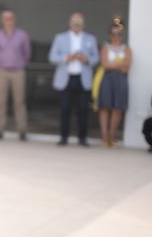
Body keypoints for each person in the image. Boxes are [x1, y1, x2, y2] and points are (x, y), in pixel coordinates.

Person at [48, 13, 99, 146]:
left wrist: (86, 59)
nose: (76, 25)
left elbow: (96, 59)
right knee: (65, 109)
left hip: (83, 79)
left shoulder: (90, 38)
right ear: (70, 23)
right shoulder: (60, 38)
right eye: (74, 22)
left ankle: (82, 138)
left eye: (79, 23)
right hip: (67, 78)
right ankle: (63, 137)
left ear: (83, 24)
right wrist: (67, 58)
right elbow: (52, 57)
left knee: (83, 110)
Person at [0, 10, 31, 140]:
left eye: (10, 18)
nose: (8, 21)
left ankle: (22, 130)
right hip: (1, 70)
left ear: (14, 20)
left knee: (19, 101)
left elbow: (27, 53)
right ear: (2, 21)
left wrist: (20, 63)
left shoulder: (22, 35)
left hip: (18, 71)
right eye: (6, 19)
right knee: (0, 101)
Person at [97, 19, 131, 148]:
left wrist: (114, 65)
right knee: (104, 107)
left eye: (118, 34)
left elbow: (127, 66)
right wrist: (120, 65)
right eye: (113, 34)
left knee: (118, 108)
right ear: (110, 34)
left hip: (121, 80)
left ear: (122, 35)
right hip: (107, 79)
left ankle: (113, 136)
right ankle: (104, 137)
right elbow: (105, 64)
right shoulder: (105, 47)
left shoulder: (127, 48)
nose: (116, 36)